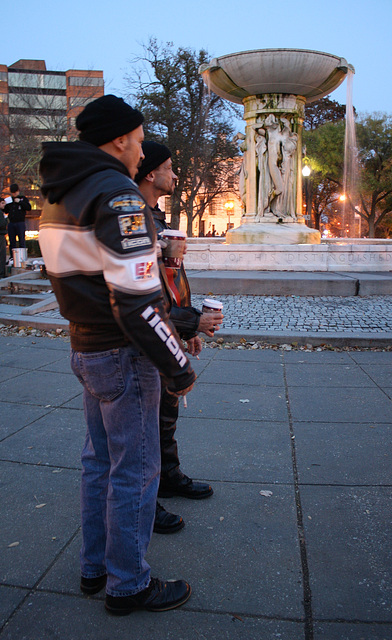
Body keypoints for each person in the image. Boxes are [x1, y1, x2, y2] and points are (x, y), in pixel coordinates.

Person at [38, 95, 196, 616]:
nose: (140, 149)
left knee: (99, 464)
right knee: (136, 470)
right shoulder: (117, 193)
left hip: (85, 345)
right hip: (123, 353)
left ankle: (95, 568)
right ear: (121, 139)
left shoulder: (62, 192)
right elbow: (136, 301)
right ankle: (128, 585)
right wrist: (178, 367)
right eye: (138, 137)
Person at [135, 142, 223, 523]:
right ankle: (143, 498)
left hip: (166, 327)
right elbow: (142, 294)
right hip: (143, 335)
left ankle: (167, 476)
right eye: (170, 168)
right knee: (144, 421)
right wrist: (191, 322)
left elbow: (171, 278)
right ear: (151, 173)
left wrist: (185, 326)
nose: (175, 175)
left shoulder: (156, 215)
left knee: (166, 409)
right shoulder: (136, 218)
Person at [4, 183, 31, 255]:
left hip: (20, 222)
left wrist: (20, 202)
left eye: (15, 192)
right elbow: (6, 210)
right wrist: (5, 204)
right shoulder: (9, 200)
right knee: (12, 241)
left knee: (21, 241)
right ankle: (12, 257)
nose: (14, 194)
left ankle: (22, 257)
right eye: (13, 193)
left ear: (18, 191)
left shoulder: (23, 199)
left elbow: (28, 207)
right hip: (11, 223)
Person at [0, 198, 7, 278]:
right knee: (2, 255)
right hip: (1, 235)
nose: (4, 205)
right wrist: (6, 220)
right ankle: (1, 273)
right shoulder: (1, 213)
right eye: (2, 203)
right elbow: (2, 224)